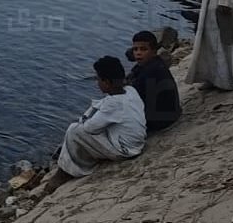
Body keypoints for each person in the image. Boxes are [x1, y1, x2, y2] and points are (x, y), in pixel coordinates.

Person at [47, 56, 146, 191]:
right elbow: (102, 105)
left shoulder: (113, 104)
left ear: (106, 82)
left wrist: (84, 120)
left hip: (125, 150)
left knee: (74, 130)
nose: (97, 83)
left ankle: (67, 170)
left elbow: (89, 128)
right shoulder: (130, 91)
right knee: (94, 121)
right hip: (138, 143)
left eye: (98, 79)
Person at [126, 31, 180, 132]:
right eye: (135, 49)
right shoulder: (156, 63)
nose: (138, 53)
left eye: (143, 49)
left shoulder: (150, 72)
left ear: (154, 51)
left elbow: (133, 99)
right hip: (172, 114)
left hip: (160, 121)